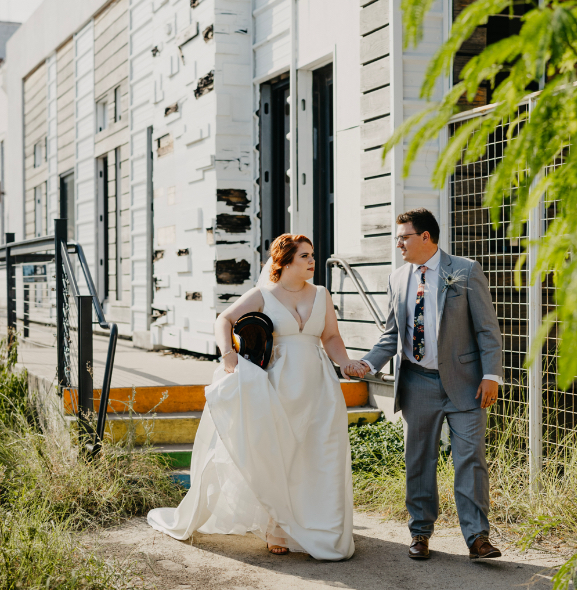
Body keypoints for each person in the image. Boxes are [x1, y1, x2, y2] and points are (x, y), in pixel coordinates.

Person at [148, 234, 361, 560]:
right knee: (282, 454)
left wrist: (344, 362)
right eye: (304, 256)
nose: (311, 261)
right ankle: (277, 525)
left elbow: (331, 336)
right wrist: (227, 354)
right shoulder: (264, 294)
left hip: (318, 384)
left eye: (312, 255)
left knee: (322, 453)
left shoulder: (322, 295)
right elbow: (225, 319)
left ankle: (323, 526)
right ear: (285, 261)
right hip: (277, 384)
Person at [347, 209, 503, 561]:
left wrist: (491, 375)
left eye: (404, 236)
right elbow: (391, 336)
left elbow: (486, 329)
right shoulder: (397, 279)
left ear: (426, 238)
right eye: (397, 237)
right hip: (417, 383)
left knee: (471, 461)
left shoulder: (464, 271)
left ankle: (477, 537)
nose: (398, 243)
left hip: (467, 385)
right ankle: (420, 533)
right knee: (419, 460)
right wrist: (368, 363)